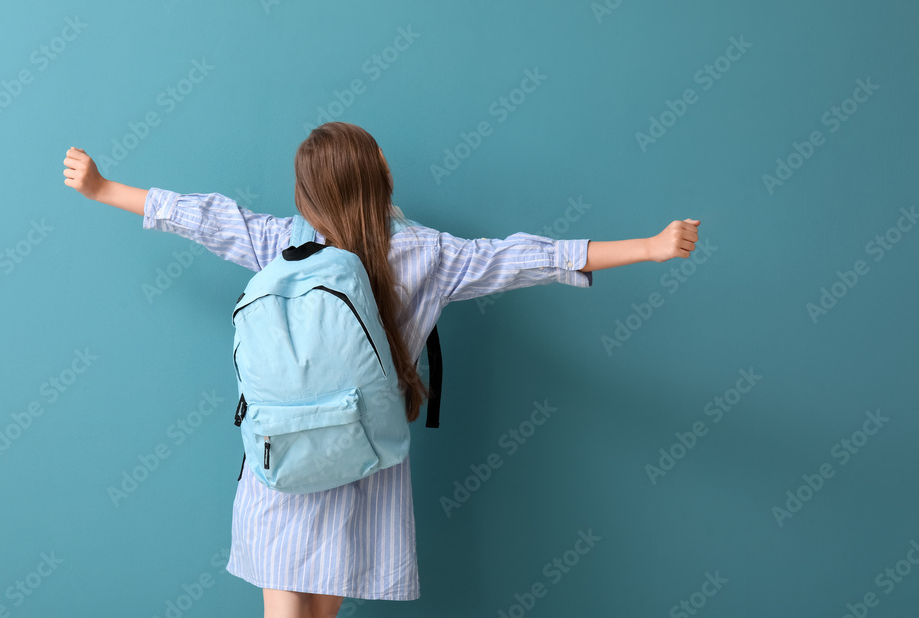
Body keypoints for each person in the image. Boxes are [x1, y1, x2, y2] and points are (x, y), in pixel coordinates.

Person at [62, 121, 700, 618]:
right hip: (362, 462)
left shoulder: (278, 240)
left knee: (284, 602)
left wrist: (101, 187)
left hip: (281, 453)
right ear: (379, 174)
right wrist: (647, 247)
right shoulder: (428, 254)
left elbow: (203, 217)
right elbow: (523, 258)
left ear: (307, 192)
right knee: (321, 608)